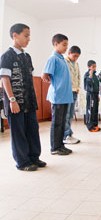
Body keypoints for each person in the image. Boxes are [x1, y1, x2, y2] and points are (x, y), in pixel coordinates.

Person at [0, 23, 46, 171]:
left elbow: (30, 78)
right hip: (16, 103)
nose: (29, 39)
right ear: (15, 35)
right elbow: (5, 79)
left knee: (32, 129)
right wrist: (12, 100)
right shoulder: (7, 56)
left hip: (29, 102)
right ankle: (22, 162)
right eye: (26, 35)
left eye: (29, 36)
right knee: (18, 132)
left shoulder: (27, 57)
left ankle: (34, 157)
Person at [42, 34, 73, 156]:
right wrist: (55, 84)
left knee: (62, 122)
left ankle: (60, 145)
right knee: (57, 123)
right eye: (64, 44)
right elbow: (45, 75)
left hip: (65, 96)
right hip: (58, 96)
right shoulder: (53, 58)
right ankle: (55, 147)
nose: (66, 47)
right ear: (56, 44)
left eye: (67, 45)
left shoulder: (62, 58)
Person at [63, 45, 81, 144]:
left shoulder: (76, 64)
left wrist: (78, 87)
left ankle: (69, 133)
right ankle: (65, 135)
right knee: (66, 114)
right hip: (67, 91)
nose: (75, 58)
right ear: (69, 53)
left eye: (77, 56)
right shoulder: (65, 62)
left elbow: (78, 76)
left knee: (70, 115)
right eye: (74, 56)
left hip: (74, 91)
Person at [84, 60, 101, 132]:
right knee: (90, 110)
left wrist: (98, 95)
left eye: (95, 66)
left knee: (95, 110)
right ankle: (90, 126)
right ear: (89, 67)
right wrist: (90, 75)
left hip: (95, 94)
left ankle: (95, 125)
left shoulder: (95, 76)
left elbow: (97, 85)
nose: (94, 68)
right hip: (90, 95)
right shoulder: (87, 75)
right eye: (93, 67)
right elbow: (87, 85)